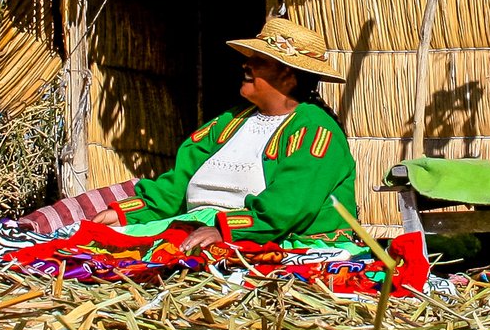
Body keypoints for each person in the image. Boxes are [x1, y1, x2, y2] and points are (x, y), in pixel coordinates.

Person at [94, 14, 359, 250]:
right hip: (198, 229)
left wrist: (226, 230)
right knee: (89, 243)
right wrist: (127, 214)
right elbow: (177, 183)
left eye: (259, 61)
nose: (246, 65)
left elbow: (289, 204)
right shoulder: (229, 121)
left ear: (289, 76)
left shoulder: (315, 130)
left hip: (272, 240)